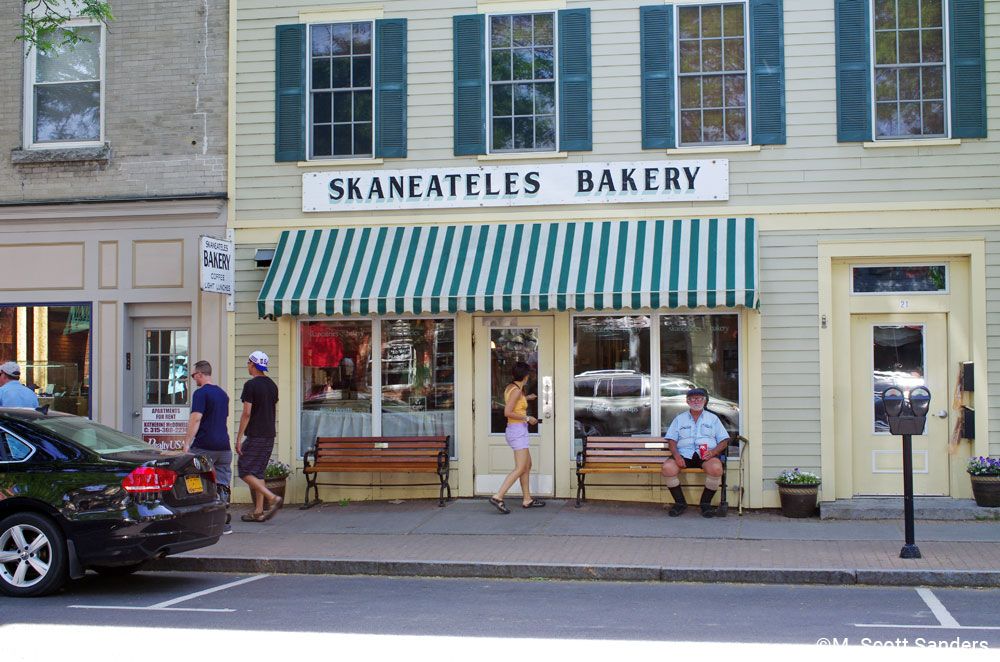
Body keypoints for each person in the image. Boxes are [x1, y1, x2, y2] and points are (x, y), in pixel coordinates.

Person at [660, 387, 731, 518]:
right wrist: (676, 456)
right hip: (683, 454)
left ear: (704, 401)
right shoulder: (679, 419)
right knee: (667, 468)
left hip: (706, 455)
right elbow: (671, 441)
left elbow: (724, 441)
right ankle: (680, 503)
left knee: (716, 469)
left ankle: (705, 504)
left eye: (699, 399)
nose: (696, 401)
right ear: (687, 401)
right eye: (693, 399)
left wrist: (714, 451)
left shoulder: (713, 419)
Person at [183, 360, 232, 534]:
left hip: (205, 445)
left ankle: (199, 524)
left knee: (196, 483)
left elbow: (196, 419)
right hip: (224, 447)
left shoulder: (201, 394)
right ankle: (224, 523)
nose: (193, 378)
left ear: (200, 374)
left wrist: (187, 443)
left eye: (193, 375)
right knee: (222, 485)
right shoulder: (223, 394)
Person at [489, 361, 545, 514]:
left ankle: (527, 499)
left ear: (514, 375)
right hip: (517, 431)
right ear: (526, 377)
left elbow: (514, 403)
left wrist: (527, 398)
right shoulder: (516, 392)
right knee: (521, 467)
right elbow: (507, 412)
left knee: (527, 465)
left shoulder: (512, 388)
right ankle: (498, 496)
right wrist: (528, 418)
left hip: (517, 431)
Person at [236, 351, 282, 522]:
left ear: (252, 364)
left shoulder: (251, 385)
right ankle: (258, 511)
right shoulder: (272, 385)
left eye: (249, 363)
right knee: (258, 472)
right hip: (269, 434)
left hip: (256, 434)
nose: (248, 366)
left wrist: (239, 437)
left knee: (244, 470)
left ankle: (273, 498)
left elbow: (247, 413)